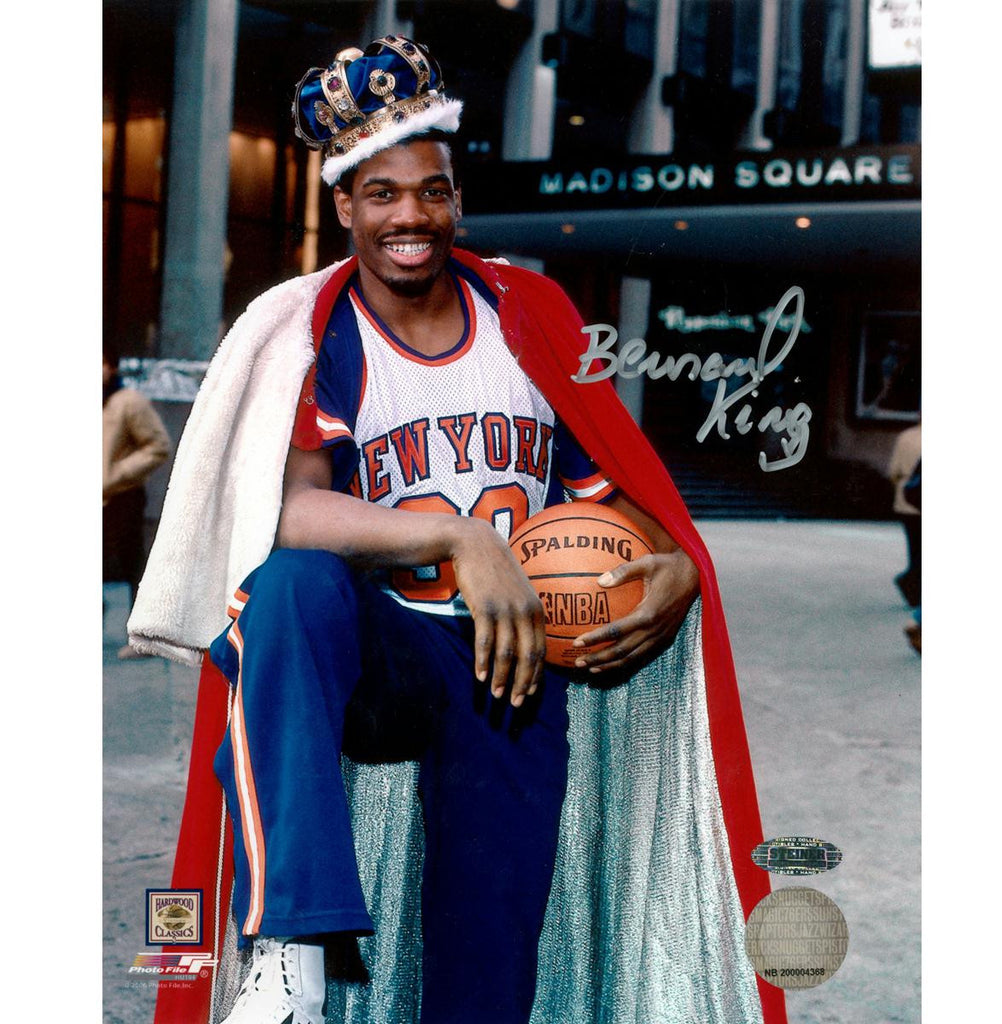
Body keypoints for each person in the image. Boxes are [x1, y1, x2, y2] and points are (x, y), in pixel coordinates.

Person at [130, 35, 785, 1024]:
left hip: (513, 661)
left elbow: (613, 491)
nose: (411, 216)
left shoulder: (529, 314)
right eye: (382, 194)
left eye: (431, 191)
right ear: (342, 205)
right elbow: (289, 506)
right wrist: (452, 537)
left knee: (488, 951)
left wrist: (676, 570)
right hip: (384, 650)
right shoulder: (320, 336)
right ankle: (292, 950)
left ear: (455, 197)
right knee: (288, 587)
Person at [103, 347, 171, 658]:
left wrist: (117, 473)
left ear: (110, 367)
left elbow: (158, 445)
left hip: (123, 495)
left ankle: (142, 639)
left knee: (131, 564)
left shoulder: (129, 402)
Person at [888, 420, 921, 652]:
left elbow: (893, 472)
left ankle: (913, 585)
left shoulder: (906, 437)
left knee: (915, 549)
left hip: (909, 501)